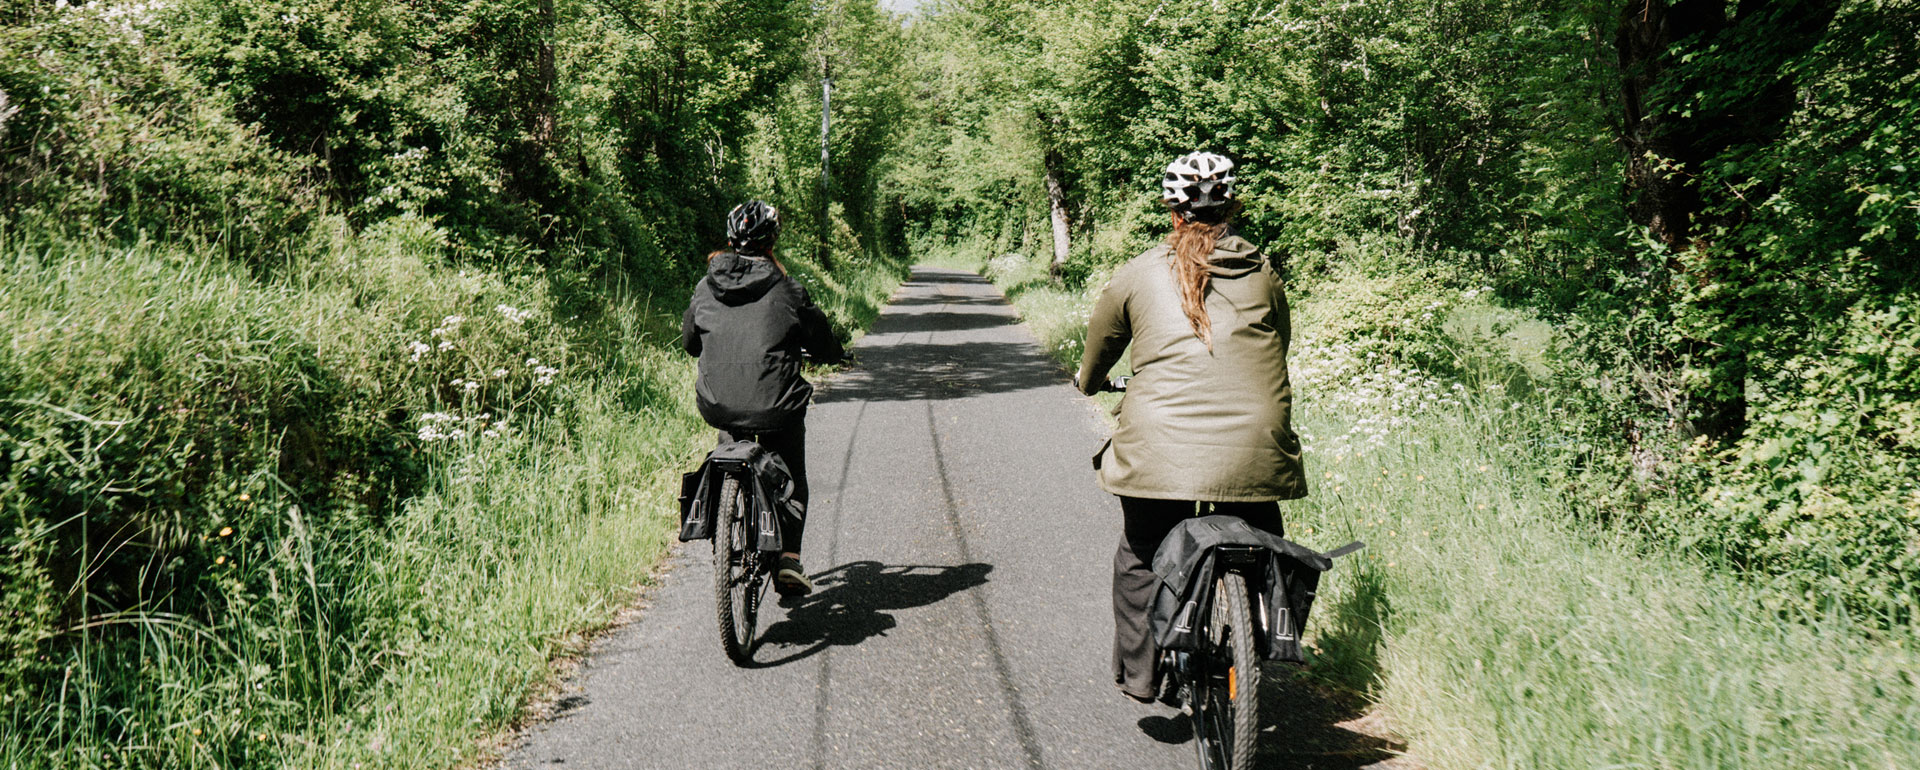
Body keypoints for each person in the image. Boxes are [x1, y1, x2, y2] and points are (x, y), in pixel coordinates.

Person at [1074, 152, 1308, 703]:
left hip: (1159, 449)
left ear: (1173, 213)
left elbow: (1098, 356)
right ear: (1232, 207)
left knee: (1141, 553)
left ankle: (1143, 675)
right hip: (1257, 444)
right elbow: (1280, 344)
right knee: (1262, 540)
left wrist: (1087, 383)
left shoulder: (1136, 273)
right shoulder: (1264, 271)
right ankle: (1255, 639)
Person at [683, 200, 845, 596]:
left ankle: (726, 523)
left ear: (730, 240)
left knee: (731, 440)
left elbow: (690, 342)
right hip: (777, 406)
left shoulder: (706, 287)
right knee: (791, 471)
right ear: (772, 241)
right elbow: (820, 338)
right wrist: (833, 353)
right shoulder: (787, 289)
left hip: (718, 403)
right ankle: (788, 558)